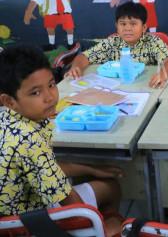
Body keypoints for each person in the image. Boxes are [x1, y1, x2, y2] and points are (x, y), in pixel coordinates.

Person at [0, 45, 123, 236]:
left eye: (51, 84)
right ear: (9, 101)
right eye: (35, 93)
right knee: (113, 198)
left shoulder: (7, 119)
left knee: (103, 184)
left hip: (15, 216)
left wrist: (91, 168)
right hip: (26, 225)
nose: (50, 97)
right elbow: (73, 205)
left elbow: (43, 167)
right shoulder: (29, 140)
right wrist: (105, 229)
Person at [67, 2, 168, 88]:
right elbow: (84, 57)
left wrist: (163, 73)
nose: (127, 28)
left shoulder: (152, 42)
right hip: (116, 89)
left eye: (133, 24)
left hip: (145, 87)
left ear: (144, 27)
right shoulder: (112, 42)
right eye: (123, 24)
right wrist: (76, 67)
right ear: (117, 26)